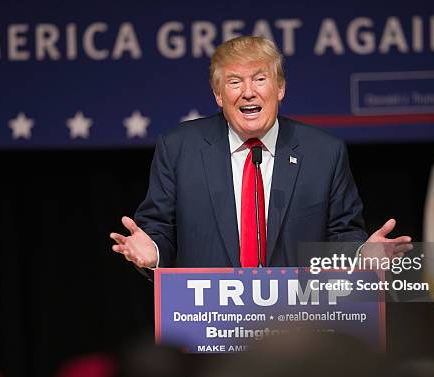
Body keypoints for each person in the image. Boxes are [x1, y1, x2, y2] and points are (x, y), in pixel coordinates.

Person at [110, 36, 410, 274]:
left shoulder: (323, 151)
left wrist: (359, 256)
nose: (248, 92)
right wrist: (154, 253)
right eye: (234, 81)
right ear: (218, 95)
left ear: (280, 88)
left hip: (297, 326)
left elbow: (342, 232)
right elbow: (159, 228)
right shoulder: (178, 148)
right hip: (209, 324)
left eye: (260, 79)